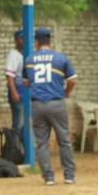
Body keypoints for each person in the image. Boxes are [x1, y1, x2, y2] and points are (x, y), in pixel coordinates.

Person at [23, 27, 78, 186]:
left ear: (37, 42)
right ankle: (69, 176)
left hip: (37, 105)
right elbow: (72, 80)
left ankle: (48, 177)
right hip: (56, 103)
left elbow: (26, 82)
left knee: (42, 143)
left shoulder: (29, 59)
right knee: (64, 141)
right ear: (49, 41)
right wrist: (66, 92)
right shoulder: (60, 58)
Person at [4, 29, 25, 134]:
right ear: (16, 40)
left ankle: (22, 149)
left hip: (26, 94)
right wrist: (14, 93)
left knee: (24, 125)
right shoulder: (13, 54)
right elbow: (9, 76)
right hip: (18, 94)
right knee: (18, 125)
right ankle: (14, 149)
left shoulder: (26, 53)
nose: (24, 41)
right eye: (21, 38)